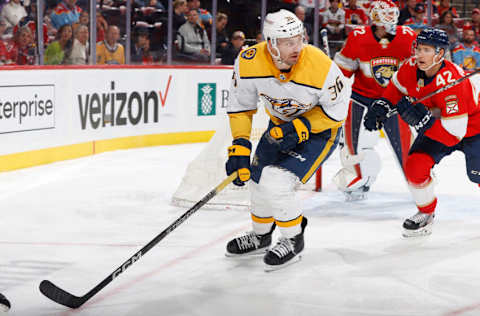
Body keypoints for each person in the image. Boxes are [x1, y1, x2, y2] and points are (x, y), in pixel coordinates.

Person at [224, 9, 350, 271]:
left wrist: (302, 125)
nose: (297, 47)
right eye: (288, 42)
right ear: (270, 43)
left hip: (320, 132)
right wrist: (240, 145)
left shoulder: (321, 65)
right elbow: (240, 107)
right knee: (257, 178)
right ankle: (260, 235)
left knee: (276, 180)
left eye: (299, 39)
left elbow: (337, 112)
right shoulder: (248, 61)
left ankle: (293, 238)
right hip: (279, 127)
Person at [364, 27, 480, 237]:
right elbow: (396, 87)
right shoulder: (410, 67)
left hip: (473, 129)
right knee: (415, 167)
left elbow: (454, 134)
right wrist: (381, 105)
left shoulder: (452, 82)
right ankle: (426, 214)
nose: (419, 54)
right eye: (418, 48)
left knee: (477, 176)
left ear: (440, 54)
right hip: (440, 126)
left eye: (426, 49)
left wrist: (424, 123)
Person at [332, 0, 416, 201]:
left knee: (406, 151)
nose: (390, 21)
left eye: (392, 15)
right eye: (386, 16)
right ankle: (361, 179)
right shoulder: (358, 38)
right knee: (353, 151)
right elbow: (341, 73)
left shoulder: (408, 37)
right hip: (362, 101)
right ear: (375, 19)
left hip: (394, 102)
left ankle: (419, 183)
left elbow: (416, 71)